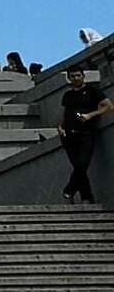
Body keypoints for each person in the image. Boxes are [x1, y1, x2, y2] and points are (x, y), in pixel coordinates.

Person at [57, 65, 110, 204]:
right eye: (73, 76)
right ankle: (87, 197)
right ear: (69, 78)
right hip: (69, 134)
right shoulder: (68, 95)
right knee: (78, 167)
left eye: (78, 75)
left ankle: (69, 189)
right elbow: (65, 112)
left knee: (82, 164)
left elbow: (108, 106)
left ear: (83, 76)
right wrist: (60, 127)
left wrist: (90, 115)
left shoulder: (92, 91)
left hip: (86, 132)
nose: (76, 78)